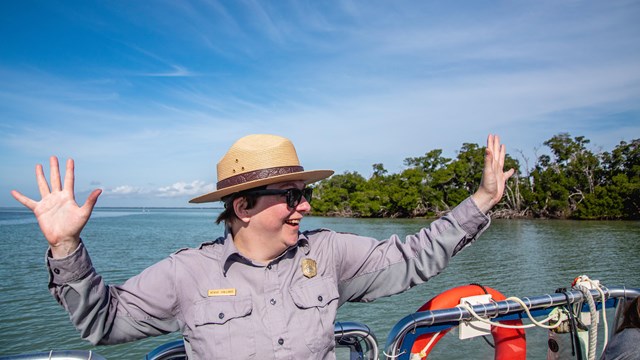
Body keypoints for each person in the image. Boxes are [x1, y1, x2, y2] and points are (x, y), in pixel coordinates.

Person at [11, 133, 514, 359]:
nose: (304, 207)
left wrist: (483, 200)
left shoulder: (330, 254)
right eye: (291, 196)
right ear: (243, 207)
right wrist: (67, 246)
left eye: (305, 194)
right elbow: (103, 324)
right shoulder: (186, 274)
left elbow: (413, 258)